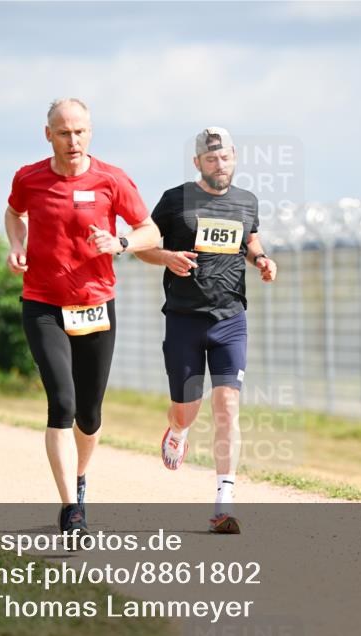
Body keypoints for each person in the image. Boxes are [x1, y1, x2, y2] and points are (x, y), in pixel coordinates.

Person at [4, 98, 160, 534]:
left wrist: (122, 243)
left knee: (89, 414)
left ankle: (80, 477)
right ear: (48, 134)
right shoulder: (29, 177)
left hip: (94, 304)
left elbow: (150, 229)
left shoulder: (112, 178)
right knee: (63, 403)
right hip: (43, 304)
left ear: (90, 132)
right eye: (63, 132)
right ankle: (70, 508)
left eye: (80, 131)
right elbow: (14, 213)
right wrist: (16, 246)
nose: (73, 140)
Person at [135, 127, 277, 534]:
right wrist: (166, 257)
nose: (220, 165)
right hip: (184, 318)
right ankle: (178, 429)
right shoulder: (175, 201)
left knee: (228, 405)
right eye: (211, 159)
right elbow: (142, 244)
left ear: (234, 157)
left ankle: (224, 500)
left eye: (225, 158)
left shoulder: (247, 201)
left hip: (231, 319)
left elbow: (250, 237)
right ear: (198, 162)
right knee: (188, 409)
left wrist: (262, 259)